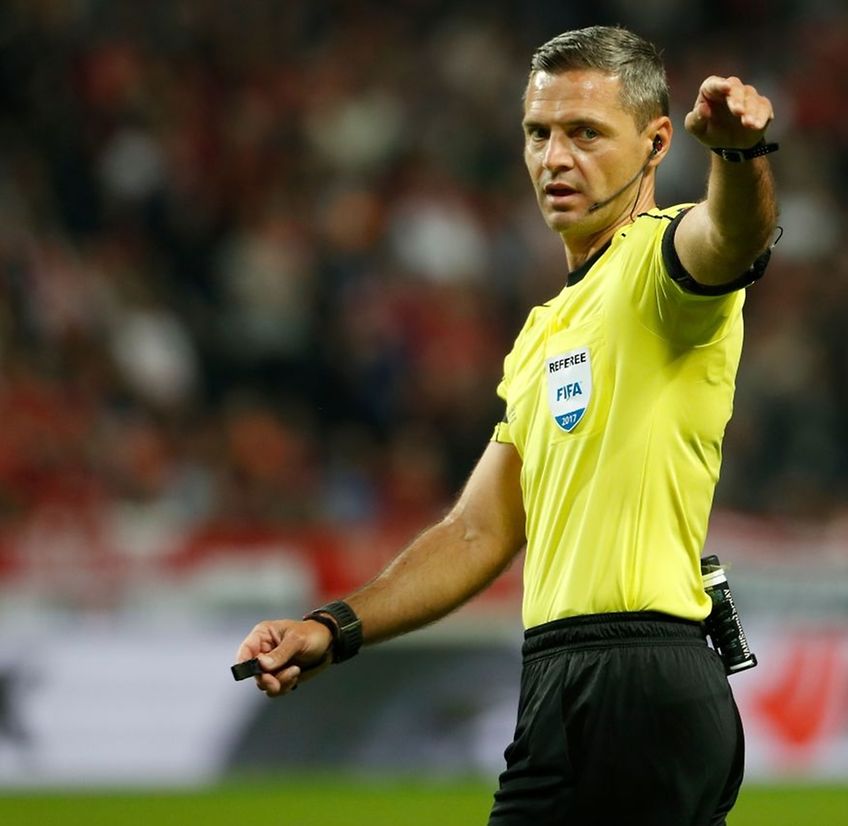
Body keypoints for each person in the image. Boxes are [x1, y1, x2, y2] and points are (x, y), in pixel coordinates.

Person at [235, 24, 777, 826]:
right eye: (539, 134)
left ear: (657, 142)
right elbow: (475, 532)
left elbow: (733, 239)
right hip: (576, 681)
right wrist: (333, 627)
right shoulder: (546, 331)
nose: (555, 158)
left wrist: (739, 155)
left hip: (632, 677)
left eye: (586, 133)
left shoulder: (661, 266)